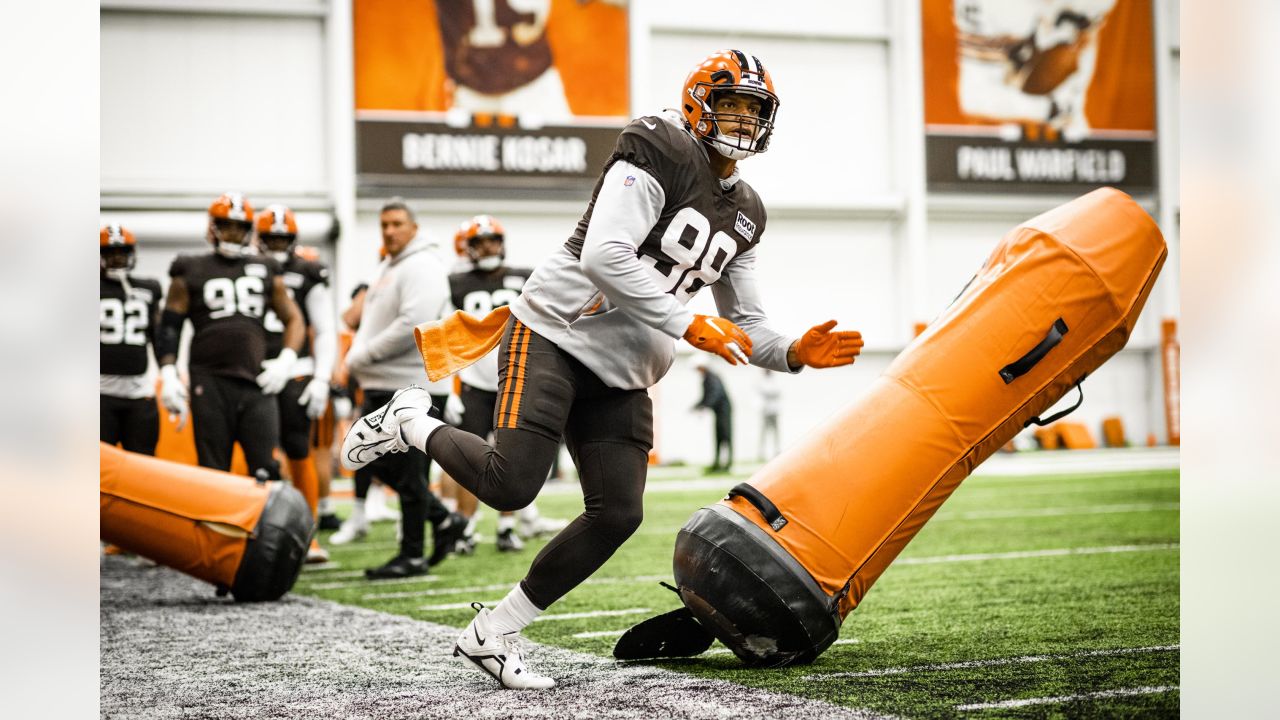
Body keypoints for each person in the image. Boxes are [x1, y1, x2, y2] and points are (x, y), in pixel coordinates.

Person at [342, 50, 863, 688]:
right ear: (700, 103)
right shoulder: (659, 145)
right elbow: (605, 254)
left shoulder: (747, 209)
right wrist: (686, 321)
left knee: (618, 512)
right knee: (511, 486)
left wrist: (792, 353)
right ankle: (410, 422)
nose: (743, 120)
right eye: (732, 105)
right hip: (557, 332)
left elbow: (745, 323)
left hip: (626, 368)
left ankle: (493, 631)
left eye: (754, 110)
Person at [343, 199, 470, 579]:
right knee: (374, 458)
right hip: (387, 383)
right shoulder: (391, 265)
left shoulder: (423, 265)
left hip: (413, 386)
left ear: (413, 228)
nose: (389, 230)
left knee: (409, 471)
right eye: (384, 224)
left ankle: (413, 553)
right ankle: (444, 520)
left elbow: (413, 324)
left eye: (397, 223)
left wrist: (359, 357)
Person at [156, 193, 305, 480]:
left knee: (266, 468)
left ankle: (266, 526)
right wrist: (168, 373)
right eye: (226, 226)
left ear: (249, 231)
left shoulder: (265, 267)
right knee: (214, 471)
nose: (233, 233)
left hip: (256, 379)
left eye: (239, 227)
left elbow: (294, 318)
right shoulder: (190, 267)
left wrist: (286, 360)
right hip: (209, 380)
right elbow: (170, 324)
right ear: (213, 227)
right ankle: (219, 526)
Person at [442, 214, 567, 554]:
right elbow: (446, 337)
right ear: (468, 248)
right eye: (480, 241)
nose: (487, 247)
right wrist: (449, 386)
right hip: (472, 382)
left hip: (515, 378)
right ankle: (466, 529)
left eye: (492, 240)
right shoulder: (454, 282)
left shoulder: (524, 277)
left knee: (510, 457)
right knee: (468, 460)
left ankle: (507, 526)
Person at [256, 206, 335, 564]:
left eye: (281, 238)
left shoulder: (306, 271)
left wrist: (321, 378)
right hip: (253, 371)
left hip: (295, 370)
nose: (276, 244)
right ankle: (256, 532)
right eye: (270, 238)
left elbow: (324, 328)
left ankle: (309, 535)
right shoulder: (244, 269)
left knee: (299, 449)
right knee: (255, 456)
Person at [100, 223, 163, 455]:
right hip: (99, 393)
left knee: (144, 466)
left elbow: (159, 335)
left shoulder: (149, 288)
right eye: (110, 253)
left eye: (122, 252)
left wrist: (169, 374)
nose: (117, 259)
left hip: (139, 393)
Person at [692, 361, 733, 473]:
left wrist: (704, 406)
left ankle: (727, 464)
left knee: (725, 437)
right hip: (719, 412)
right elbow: (706, 397)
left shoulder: (711, 378)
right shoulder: (708, 378)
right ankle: (718, 463)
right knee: (719, 438)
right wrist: (698, 405)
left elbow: (714, 394)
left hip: (724, 411)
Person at [757, 367, 782, 461]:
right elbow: (761, 392)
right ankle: (762, 452)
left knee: (776, 432)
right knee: (763, 432)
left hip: (774, 410)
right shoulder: (761, 380)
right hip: (765, 411)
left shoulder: (775, 379)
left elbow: (777, 391)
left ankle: (777, 450)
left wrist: (768, 393)